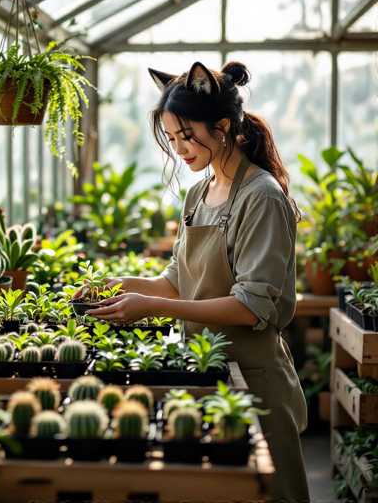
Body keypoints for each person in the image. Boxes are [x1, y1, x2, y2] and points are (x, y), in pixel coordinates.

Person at [87, 60, 310, 502]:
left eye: (186, 136)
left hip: (254, 380)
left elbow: (251, 306)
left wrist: (152, 307)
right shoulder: (199, 193)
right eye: (172, 139)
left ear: (223, 126)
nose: (179, 148)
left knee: (269, 493)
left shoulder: (261, 197)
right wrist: (118, 284)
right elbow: (177, 281)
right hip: (206, 372)